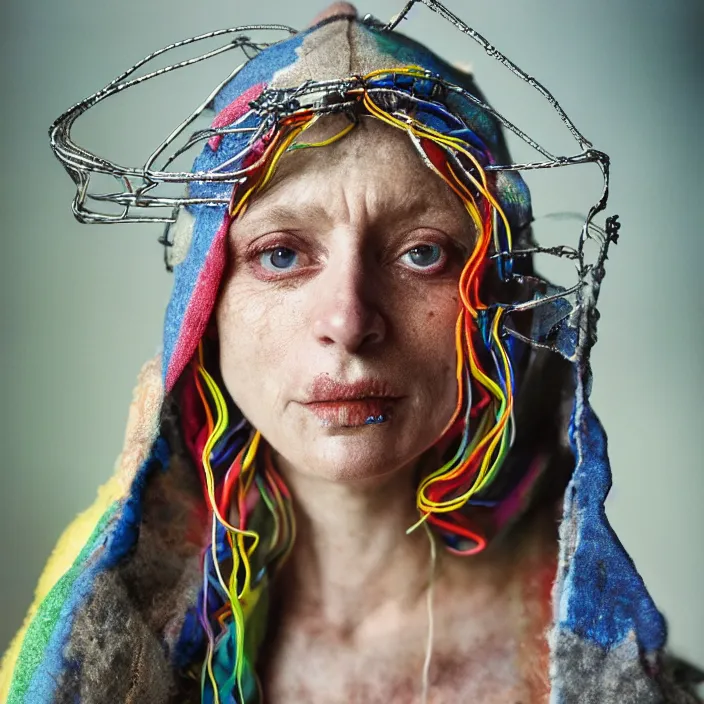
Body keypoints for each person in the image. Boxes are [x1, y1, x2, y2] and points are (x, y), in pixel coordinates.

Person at [1, 2, 701, 702]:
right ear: (203, 306)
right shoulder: (118, 668)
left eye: (422, 253)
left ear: (492, 297)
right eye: (280, 254)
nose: (349, 320)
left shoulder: (589, 678)